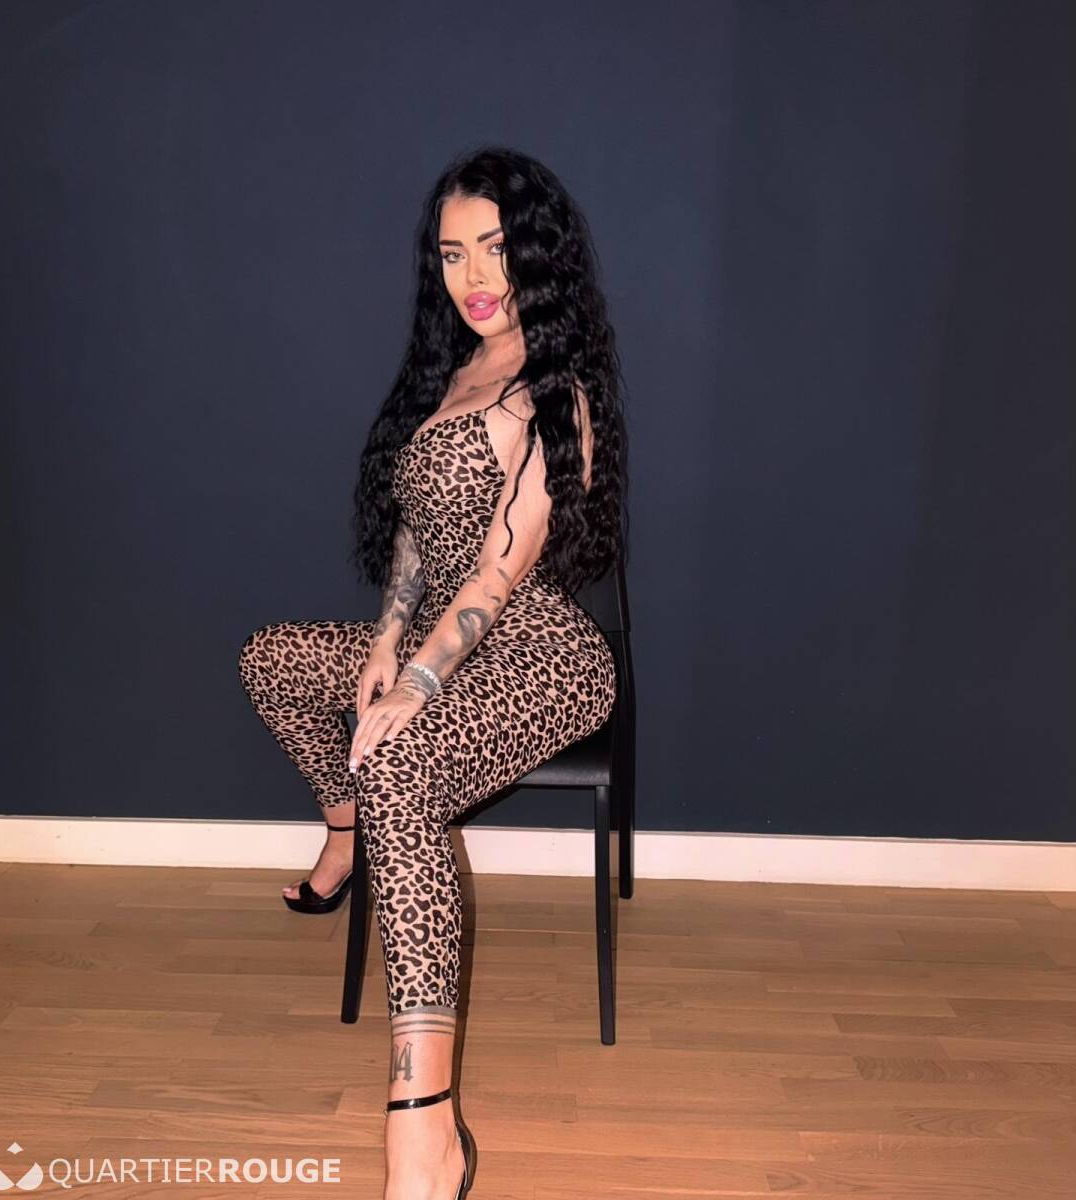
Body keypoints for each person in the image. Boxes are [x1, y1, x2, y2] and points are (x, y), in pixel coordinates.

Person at [238, 144, 628, 1200]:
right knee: (272, 659)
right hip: (435, 643)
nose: (475, 276)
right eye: (453, 255)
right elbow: (417, 542)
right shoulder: (453, 376)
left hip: (541, 654)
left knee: (399, 767)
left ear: (538, 256)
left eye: (495, 248)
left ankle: (424, 1128)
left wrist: (416, 685)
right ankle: (345, 838)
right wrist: (383, 644)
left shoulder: (558, 390)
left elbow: (500, 568)